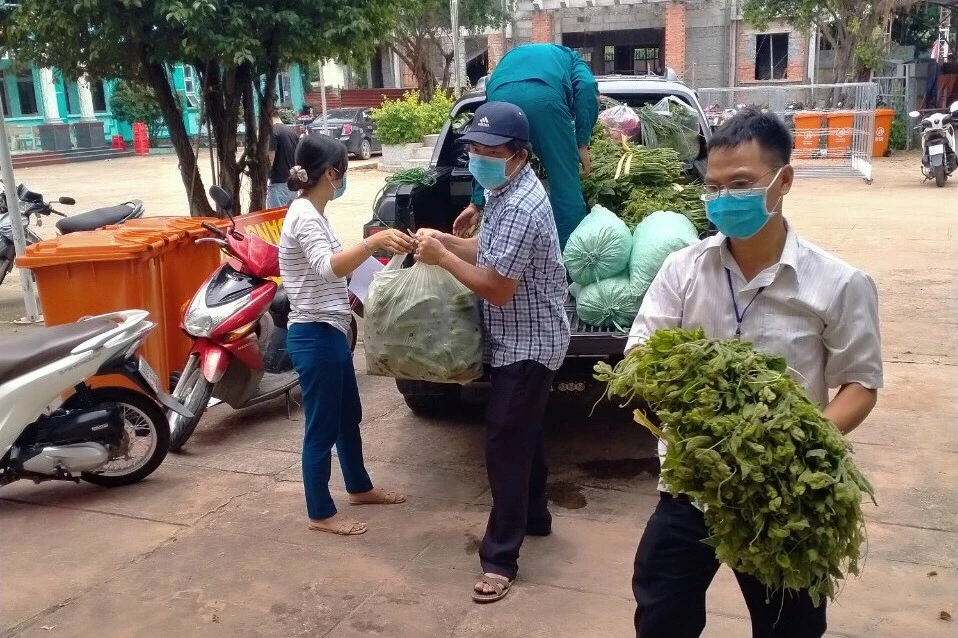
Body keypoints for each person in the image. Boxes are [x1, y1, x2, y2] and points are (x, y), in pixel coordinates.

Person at [625, 109, 883, 637]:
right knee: (661, 614)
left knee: (790, 625)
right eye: (713, 186)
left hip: (780, 497)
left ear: (783, 180)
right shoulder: (683, 269)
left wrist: (790, 450)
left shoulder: (838, 283)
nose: (723, 198)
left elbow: (860, 384)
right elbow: (640, 353)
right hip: (692, 486)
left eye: (741, 184)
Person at [414, 102, 570, 603]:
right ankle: (537, 516)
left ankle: (500, 557)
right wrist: (445, 240)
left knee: (504, 441)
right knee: (524, 430)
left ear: (518, 155)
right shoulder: (503, 192)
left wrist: (441, 256)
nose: (480, 157)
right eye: (474, 149)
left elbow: (498, 286)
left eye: (491, 151)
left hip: (530, 341)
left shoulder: (523, 205)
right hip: (515, 335)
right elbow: (490, 251)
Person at [279, 135, 414, 535]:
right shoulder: (303, 215)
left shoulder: (314, 214)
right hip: (314, 335)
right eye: (345, 171)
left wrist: (388, 277)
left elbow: (347, 271)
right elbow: (327, 267)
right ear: (333, 173)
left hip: (332, 329)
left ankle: (358, 487)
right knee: (321, 426)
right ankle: (320, 512)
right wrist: (372, 240)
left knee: (346, 417)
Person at [454, 44, 599, 249]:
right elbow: (586, 87)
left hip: (499, 95)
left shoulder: (512, 56)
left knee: (489, 152)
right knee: (566, 191)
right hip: (545, 105)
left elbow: (485, 146)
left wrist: (476, 203)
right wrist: (582, 142)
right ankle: (570, 268)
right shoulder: (572, 58)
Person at [267, 108, 300, 208]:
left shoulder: (273, 131)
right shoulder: (292, 132)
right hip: (292, 183)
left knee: (276, 218)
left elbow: (270, 158)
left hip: (278, 184)